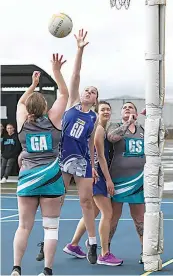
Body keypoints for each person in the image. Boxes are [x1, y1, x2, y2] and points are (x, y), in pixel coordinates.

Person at [36, 29, 99, 265]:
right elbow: (75, 74)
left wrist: (93, 168)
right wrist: (80, 49)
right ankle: (46, 239)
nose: (88, 92)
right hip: (63, 159)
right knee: (57, 199)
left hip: (82, 162)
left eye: (92, 92)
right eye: (87, 89)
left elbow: (91, 144)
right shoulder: (72, 103)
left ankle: (92, 243)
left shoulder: (93, 119)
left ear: (95, 99)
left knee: (86, 202)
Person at [11, 53, 69, 276]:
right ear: (45, 106)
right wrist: (55, 71)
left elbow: (20, 102)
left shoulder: (22, 122)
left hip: (28, 178)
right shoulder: (53, 121)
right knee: (51, 228)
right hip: (51, 179)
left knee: (24, 226)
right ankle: (47, 271)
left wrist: (32, 85)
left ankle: (16, 268)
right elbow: (64, 93)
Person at [63, 101, 123, 266]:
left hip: (97, 174)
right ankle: (104, 253)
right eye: (102, 109)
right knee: (107, 213)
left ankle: (73, 244)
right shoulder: (98, 128)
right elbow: (100, 157)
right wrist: (107, 179)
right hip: (97, 176)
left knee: (93, 213)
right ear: (96, 111)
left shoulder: (103, 129)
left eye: (108, 109)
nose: (106, 112)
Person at [106, 102, 145, 264]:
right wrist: (128, 122)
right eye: (125, 108)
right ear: (121, 113)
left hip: (138, 180)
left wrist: (150, 117)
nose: (128, 109)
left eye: (131, 107)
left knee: (140, 217)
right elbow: (112, 138)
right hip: (118, 180)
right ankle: (105, 249)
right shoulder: (114, 126)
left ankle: (145, 250)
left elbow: (160, 136)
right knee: (114, 216)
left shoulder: (143, 130)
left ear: (136, 112)